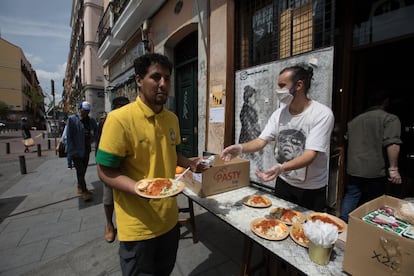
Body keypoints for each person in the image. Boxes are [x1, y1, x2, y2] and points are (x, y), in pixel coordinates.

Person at [96, 53, 208, 275]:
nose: (163, 84)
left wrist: (191, 164)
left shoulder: (172, 119)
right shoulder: (119, 120)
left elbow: (173, 152)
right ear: (139, 80)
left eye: (167, 78)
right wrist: (139, 189)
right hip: (138, 228)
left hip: (169, 221)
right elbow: (104, 171)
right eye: (156, 77)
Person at [221, 64, 334, 212]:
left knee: (305, 232)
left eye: (282, 85)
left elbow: (310, 155)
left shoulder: (322, 114)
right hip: (284, 182)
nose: (278, 90)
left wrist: (281, 167)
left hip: (310, 189)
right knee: (278, 225)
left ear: (299, 85)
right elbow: (261, 141)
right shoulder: (279, 114)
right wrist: (240, 148)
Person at [340, 90, 402, 222]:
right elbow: (393, 144)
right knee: (375, 200)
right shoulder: (390, 119)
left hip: (354, 167)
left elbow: (347, 139)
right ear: (386, 101)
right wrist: (393, 169)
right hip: (376, 169)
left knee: (352, 195)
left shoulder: (354, 121)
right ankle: (369, 227)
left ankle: (343, 223)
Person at [97, 96, 130, 243]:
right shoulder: (108, 121)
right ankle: (109, 225)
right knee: (108, 198)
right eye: (122, 106)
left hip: (129, 166)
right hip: (111, 165)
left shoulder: (130, 120)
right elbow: (100, 144)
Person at [66, 101, 98, 202]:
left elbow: (96, 132)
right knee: (80, 171)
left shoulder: (91, 120)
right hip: (76, 150)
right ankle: (84, 192)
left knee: (83, 170)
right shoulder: (72, 120)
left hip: (86, 149)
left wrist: (92, 140)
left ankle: (79, 186)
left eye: (87, 111)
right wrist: (71, 152)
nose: (85, 113)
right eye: (84, 110)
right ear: (79, 109)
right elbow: (69, 137)